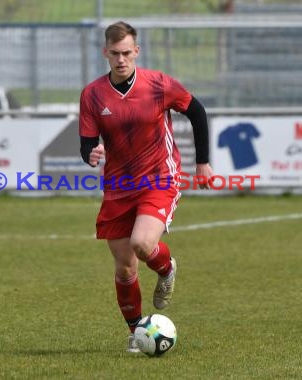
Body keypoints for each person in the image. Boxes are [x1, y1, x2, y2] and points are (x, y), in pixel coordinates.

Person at [79, 21, 214, 353]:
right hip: (118, 186)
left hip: (159, 178)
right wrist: (91, 153)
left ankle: (166, 269)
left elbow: (197, 111)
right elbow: (86, 143)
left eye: (127, 53)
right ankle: (137, 332)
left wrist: (203, 162)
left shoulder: (158, 84)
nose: (121, 59)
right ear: (105, 53)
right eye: (115, 54)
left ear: (136, 51)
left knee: (142, 243)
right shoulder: (93, 95)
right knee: (125, 268)